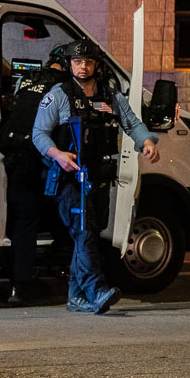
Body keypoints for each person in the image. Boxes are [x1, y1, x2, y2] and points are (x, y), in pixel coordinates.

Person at [32, 38, 159, 314]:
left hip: (99, 178)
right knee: (85, 231)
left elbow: (132, 124)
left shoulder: (111, 96)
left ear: (97, 65)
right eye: (78, 61)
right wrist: (58, 155)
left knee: (88, 233)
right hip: (69, 179)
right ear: (69, 64)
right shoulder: (59, 95)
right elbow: (38, 134)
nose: (83, 66)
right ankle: (96, 290)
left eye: (88, 61)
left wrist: (146, 142)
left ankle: (76, 296)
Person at [0, 43, 70, 305]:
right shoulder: (63, 85)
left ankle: (18, 277)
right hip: (40, 157)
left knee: (20, 221)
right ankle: (23, 283)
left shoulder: (26, 79)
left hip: (15, 154)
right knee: (60, 212)